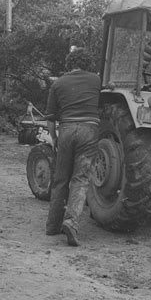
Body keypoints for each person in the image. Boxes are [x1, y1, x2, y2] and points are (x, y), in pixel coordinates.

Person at [45, 48, 101, 246]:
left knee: (60, 179)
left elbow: (50, 119)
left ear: (70, 64)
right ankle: (71, 222)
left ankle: (52, 226)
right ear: (87, 63)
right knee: (81, 179)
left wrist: (55, 139)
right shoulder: (96, 80)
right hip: (89, 131)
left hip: (66, 130)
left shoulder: (58, 83)